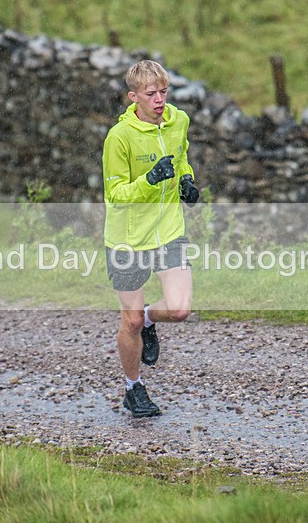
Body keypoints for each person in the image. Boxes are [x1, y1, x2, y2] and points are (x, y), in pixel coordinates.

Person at [101, 59, 200, 418]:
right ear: (134, 97)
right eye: (150, 94)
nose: (159, 100)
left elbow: (183, 158)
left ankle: (149, 318)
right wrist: (150, 181)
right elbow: (115, 194)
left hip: (169, 232)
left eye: (163, 92)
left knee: (179, 309)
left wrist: (186, 181)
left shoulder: (179, 121)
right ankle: (133, 388)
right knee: (128, 322)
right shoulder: (120, 137)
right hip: (127, 240)